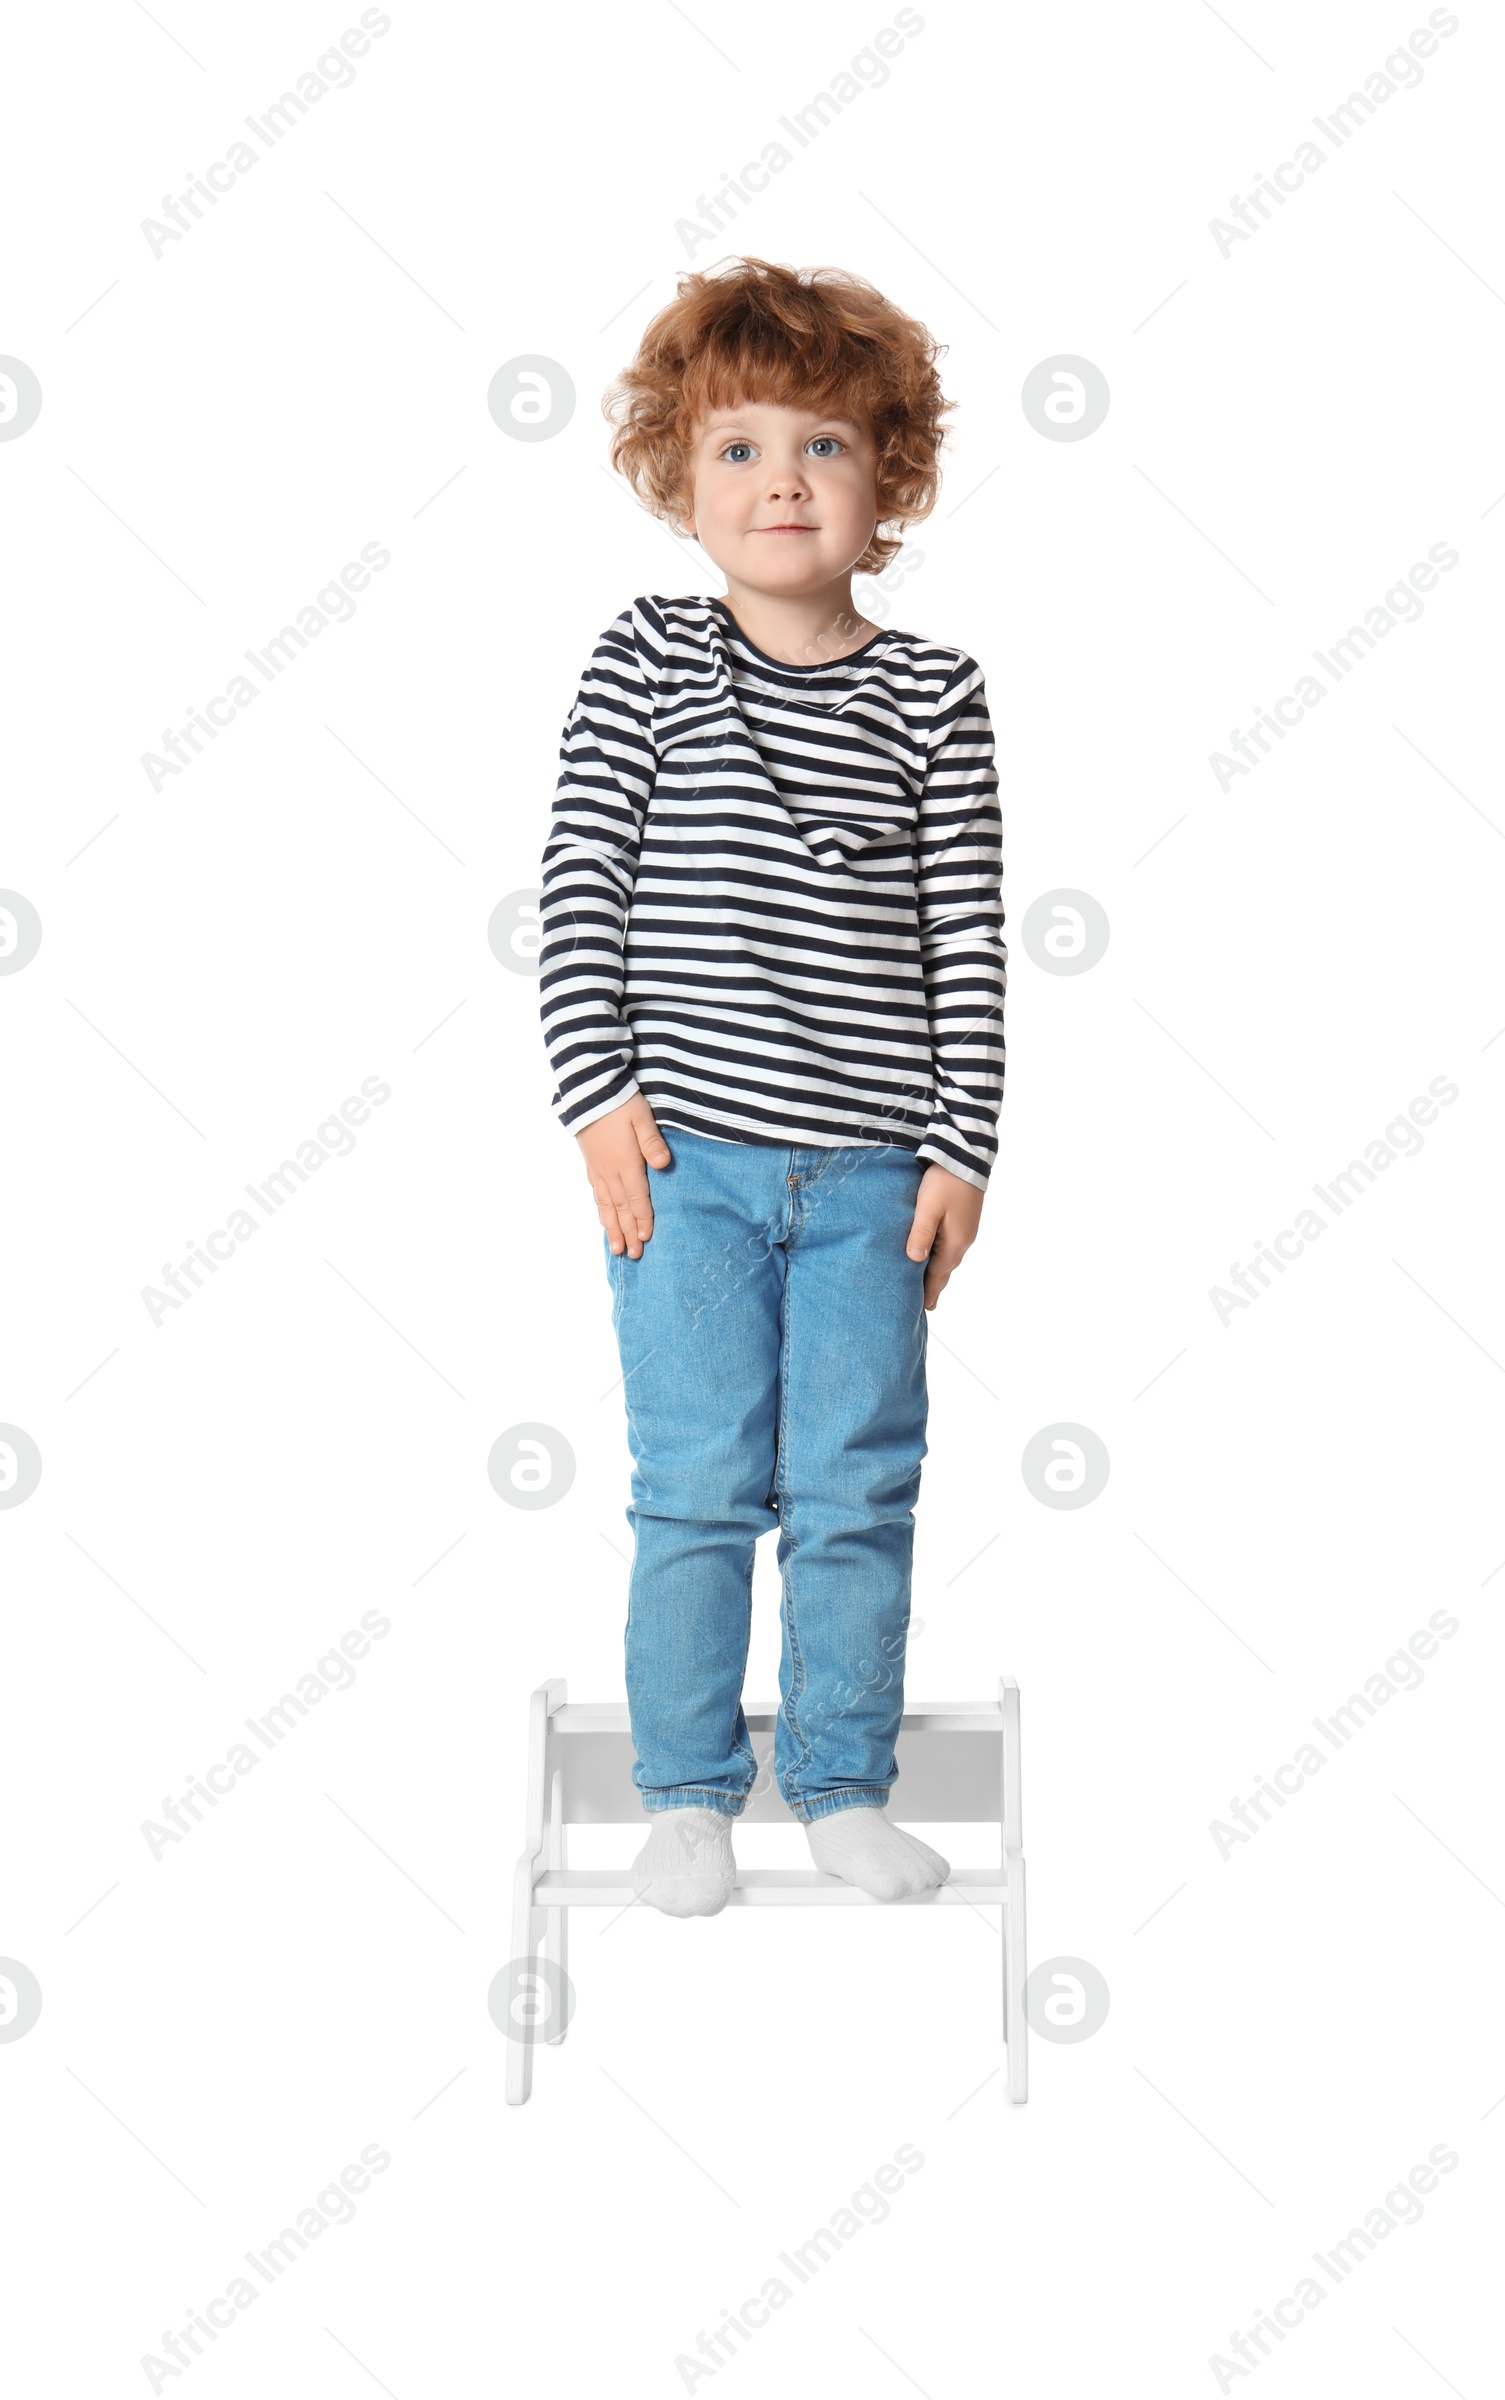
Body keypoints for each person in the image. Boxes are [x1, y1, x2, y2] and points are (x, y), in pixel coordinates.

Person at [538, 255, 1005, 1914]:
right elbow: (581, 892)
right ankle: (684, 1790)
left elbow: (968, 944)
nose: (782, 480)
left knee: (857, 1483)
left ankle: (841, 1778)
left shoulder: (934, 697)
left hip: (875, 1173)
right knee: (698, 1483)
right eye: (737, 448)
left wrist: (963, 1153)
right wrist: (598, 1101)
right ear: (680, 479)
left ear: (891, 483)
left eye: (825, 445)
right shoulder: (646, 664)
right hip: (692, 1168)